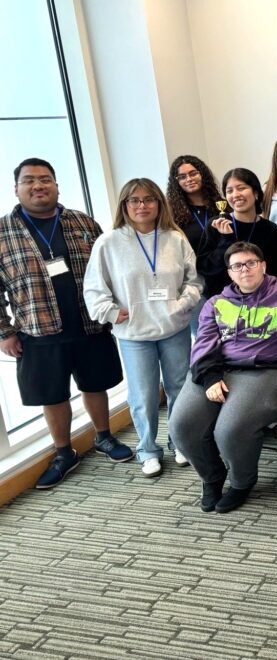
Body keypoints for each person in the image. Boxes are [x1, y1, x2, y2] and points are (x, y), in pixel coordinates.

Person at [1, 158, 131, 489]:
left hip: (88, 324)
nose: (38, 186)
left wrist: (114, 311)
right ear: (16, 188)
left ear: (57, 185)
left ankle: (103, 437)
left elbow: (109, 270)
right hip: (38, 330)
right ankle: (64, 452)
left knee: (95, 384)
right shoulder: (3, 233)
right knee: (52, 394)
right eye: (29, 180)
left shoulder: (82, 222)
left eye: (45, 179)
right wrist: (5, 332)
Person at [83, 178, 201, 477]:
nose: (142, 206)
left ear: (159, 203)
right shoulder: (109, 243)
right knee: (143, 394)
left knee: (179, 388)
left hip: (173, 327)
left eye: (148, 199)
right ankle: (148, 449)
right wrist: (109, 312)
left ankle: (179, 442)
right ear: (124, 205)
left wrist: (184, 302)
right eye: (134, 200)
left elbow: (194, 279)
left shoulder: (174, 238)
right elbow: (94, 287)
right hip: (134, 333)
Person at [169, 242, 277, 514]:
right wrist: (210, 378)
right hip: (216, 370)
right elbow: (203, 344)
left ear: (263, 265)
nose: (245, 270)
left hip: (265, 370)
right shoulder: (216, 303)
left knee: (229, 430)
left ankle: (241, 483)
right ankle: (212, 476)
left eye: (251, 263)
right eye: (237, 266)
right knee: (181, 425)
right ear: (229, 272)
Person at [197, 168, 277, 299]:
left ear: (255, 192)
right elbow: (206, 268)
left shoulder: (270, 229)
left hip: (263, 299)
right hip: (224, 301)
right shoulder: (217, 224)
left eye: (241, 188)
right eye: (229, 191)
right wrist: (226, 240)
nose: (235, 195)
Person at [166, 155, 223, 335]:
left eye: (193, 173)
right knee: (204, 337)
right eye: (182, 177)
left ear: (202, 174)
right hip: (195, 283)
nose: (189, 179)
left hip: (223, 279)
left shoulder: (221, 206)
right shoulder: (172, 216)